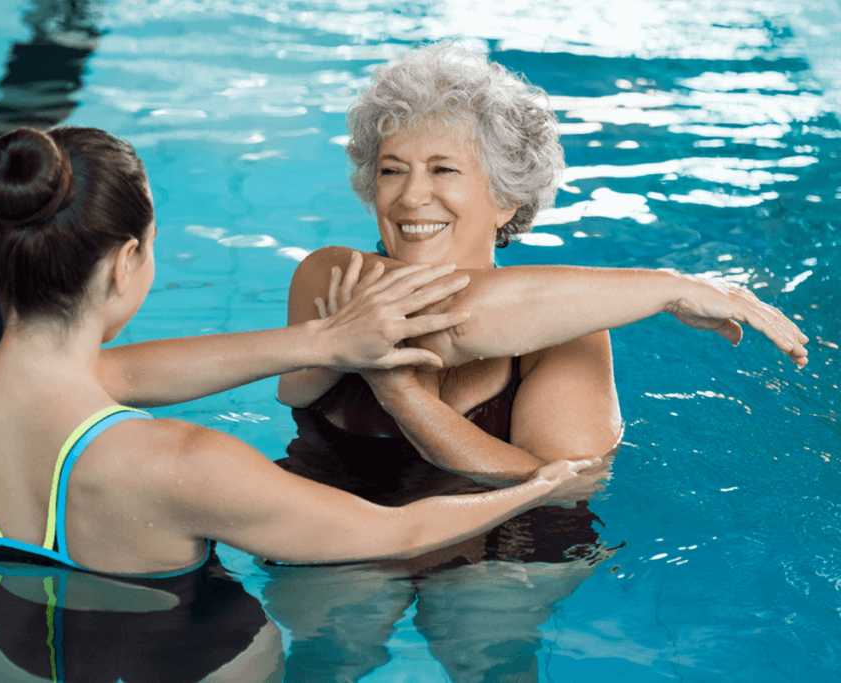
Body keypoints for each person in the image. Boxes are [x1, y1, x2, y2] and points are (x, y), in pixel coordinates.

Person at [269, 43, 809, 681]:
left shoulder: (572, 330)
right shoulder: (332, 277)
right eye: (392, 170)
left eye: (443, 170)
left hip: (508, 539)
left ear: (504, 201)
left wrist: (404, 399)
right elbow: (449, 315)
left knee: (485, 648)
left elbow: (571, 481)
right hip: (344, 513)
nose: (412, 197)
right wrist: (666, 286)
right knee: (333, 648)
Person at [0, 125, 600, 580]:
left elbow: (86, 376)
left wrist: (319, 343)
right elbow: (403, 531)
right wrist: (542, 482)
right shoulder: (185, 466)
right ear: (125, 263)